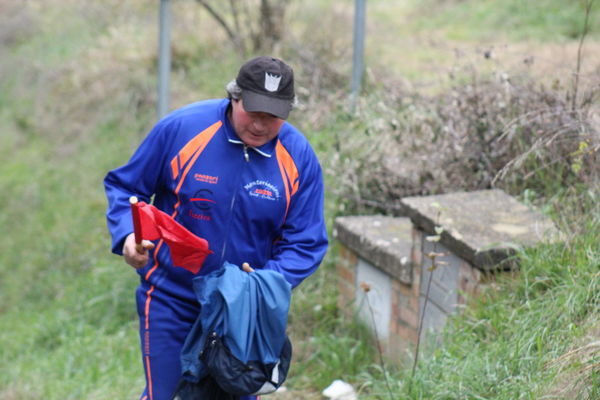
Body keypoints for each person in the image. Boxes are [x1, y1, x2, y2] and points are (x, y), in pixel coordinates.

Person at [104, 55, 329, 400]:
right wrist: (129, 235)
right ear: (234, 97)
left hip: (242, 313)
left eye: (273, 116)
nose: (261, 124)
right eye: (253, 111)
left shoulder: (298, 158)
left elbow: (306, 242)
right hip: (170, 297)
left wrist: (263, 286)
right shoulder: (182, 129)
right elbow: (126, 187)